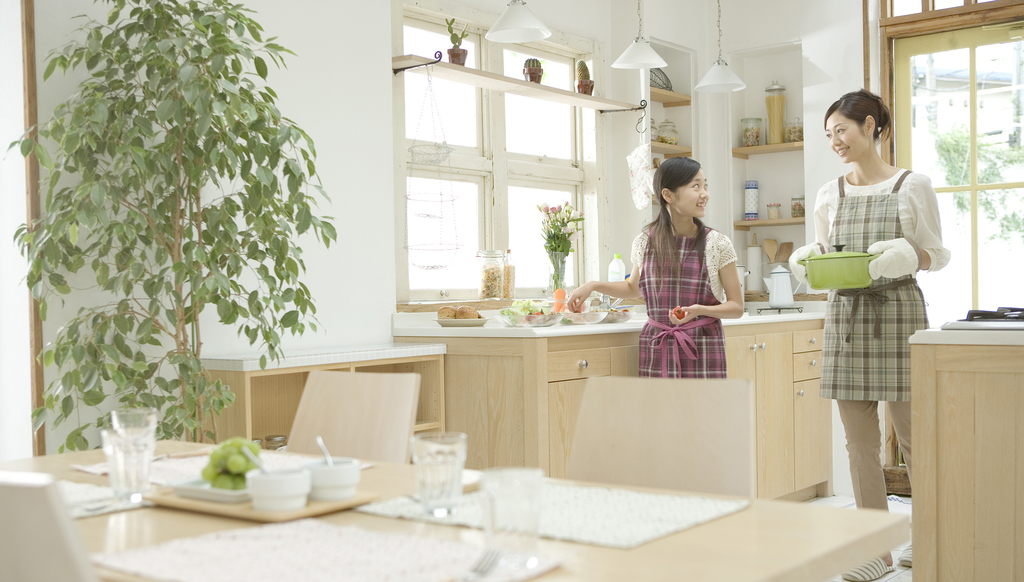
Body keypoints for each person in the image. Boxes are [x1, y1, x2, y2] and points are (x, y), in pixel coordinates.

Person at [789, 89, 949, 582]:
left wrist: (910, 255)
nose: (835, 141)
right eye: (829, 134)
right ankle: (874, 548)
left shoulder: (911, 184)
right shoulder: (828, 193)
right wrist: (806, 260)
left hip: (900, 314)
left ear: (870, 127)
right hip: (847, 319)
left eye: (842, 130)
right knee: (859, 445)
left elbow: (937, 254)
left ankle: (928, 538)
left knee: (915, 439)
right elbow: (824, 251)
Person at [567, 157, 743, 378]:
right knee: (657, 412)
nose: (704, 194)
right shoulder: (645, 242)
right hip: (657, 347)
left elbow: (736, 307)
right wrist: (592, 285)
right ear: (668, 195)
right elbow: (633, 288)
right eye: (695, 186)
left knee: (702, 413)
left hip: (703, 348)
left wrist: (699, 310)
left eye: (705, 185)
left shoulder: (717, 243)